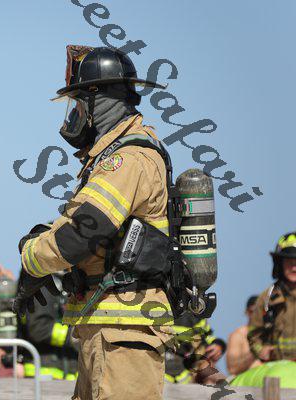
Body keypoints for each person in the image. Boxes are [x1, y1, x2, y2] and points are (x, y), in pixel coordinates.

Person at [13, 46, 178, 400]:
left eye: (79, 104)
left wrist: (31, 257)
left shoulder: (127, 160)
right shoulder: (113, 157)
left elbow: (80, 234)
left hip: (123, 331)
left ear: (99, 100)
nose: (76, 115)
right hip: (108, 328)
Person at [19, 274, 78, 381]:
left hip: (67, 375)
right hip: (44, 376)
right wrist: (73, 336)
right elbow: (39, 328)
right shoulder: (41, 282)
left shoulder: (65, 282)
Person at [248, 232, 296, 363]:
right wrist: (261, 350)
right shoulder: (267, 298)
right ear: (279, 264)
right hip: (278, 369)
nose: (294, 268)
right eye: (289, 262)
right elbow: (253, 335)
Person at [164, 316, 226, 385]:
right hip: (160, 373)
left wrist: (218, 344)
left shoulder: (198, 317)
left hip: (187, 376)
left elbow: (206, 337)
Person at [226, 296, 261, 376]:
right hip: (247, 382)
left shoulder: (273, 334)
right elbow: (232, 369)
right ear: (247, 312)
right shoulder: (238, 335)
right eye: (252, 311)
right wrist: (256, 352)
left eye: (259, 311)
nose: (255, 315)